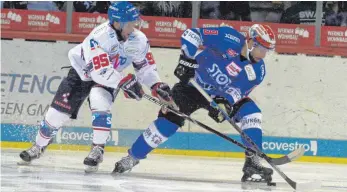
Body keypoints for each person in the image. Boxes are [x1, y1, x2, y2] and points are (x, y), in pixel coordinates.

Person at [18, 1, 173, 173]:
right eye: (130, 23)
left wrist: (156, 84)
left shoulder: (139, 39)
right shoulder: (99, 37)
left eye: (135, 23)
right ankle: (39, 146)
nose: (134, 27)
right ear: (117, 23)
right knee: (56, 115)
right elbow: (99, 72)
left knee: (100, 102)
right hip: (82, 73)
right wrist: (124, 82)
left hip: (111, 75)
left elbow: (144, 67)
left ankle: (97, 149)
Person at [113, 24, 276, 184]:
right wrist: (186, 59)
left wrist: (225, 103)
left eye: (267, 51)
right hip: (191, 87)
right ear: (251, 42)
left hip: (218, 96)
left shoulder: (258, 70)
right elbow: (192, 34)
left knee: (251, 112)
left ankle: (253, 162)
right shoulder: (229, 37)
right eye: (262, 49)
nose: (263, 55)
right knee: (169, 122)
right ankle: (132, 157)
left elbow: (237, 91)